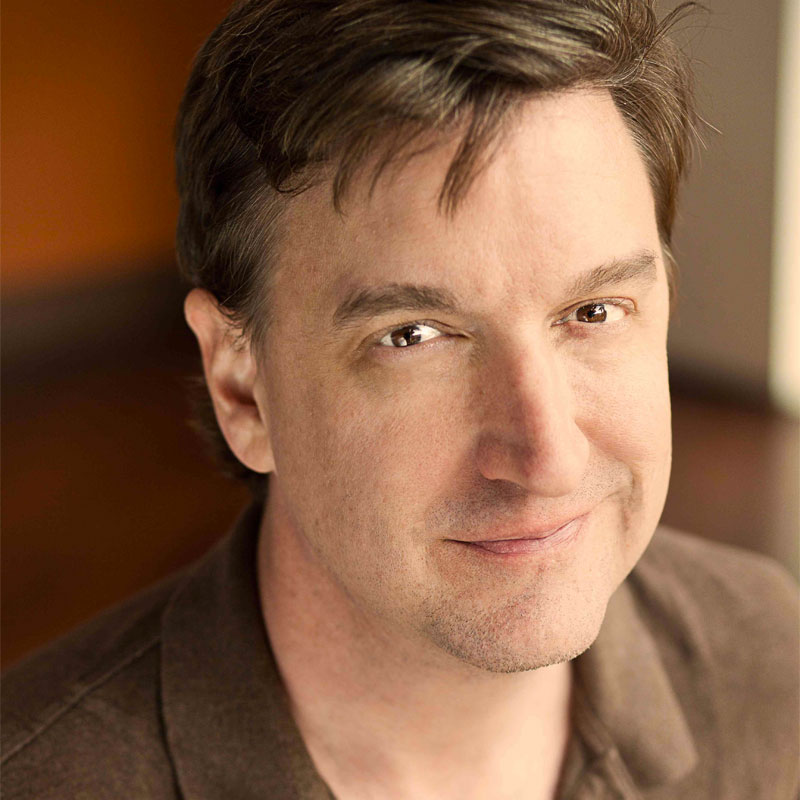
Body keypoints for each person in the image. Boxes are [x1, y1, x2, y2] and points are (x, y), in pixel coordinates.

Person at [2, 1, 798, 797]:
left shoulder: (769, 653)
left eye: (593, 312)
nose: (548, 457)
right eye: (413, 335)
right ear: (241, 388)